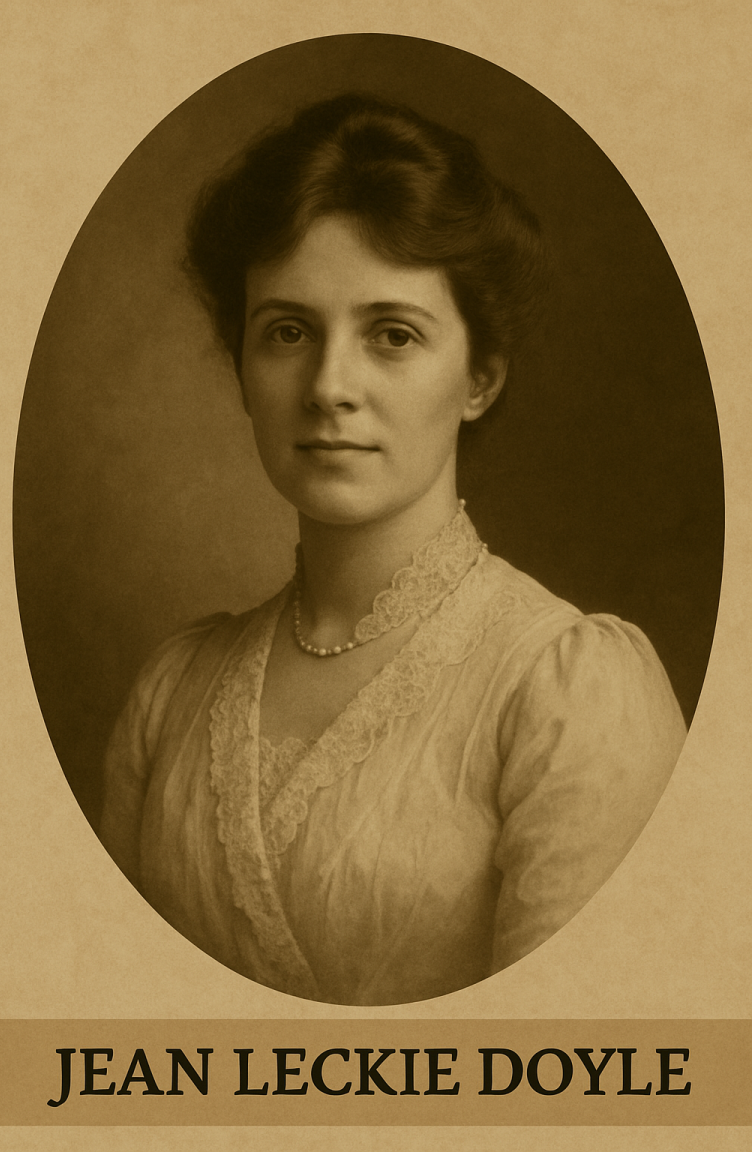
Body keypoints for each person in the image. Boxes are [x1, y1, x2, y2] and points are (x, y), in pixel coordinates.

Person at [99, 93, 686, 1005]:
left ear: (480, 378)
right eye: (288, 331)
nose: (329, 386)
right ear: (244, 370)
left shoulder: (569, 693)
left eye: (393, 335)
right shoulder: (171, 693)